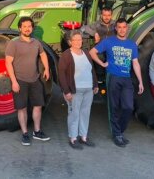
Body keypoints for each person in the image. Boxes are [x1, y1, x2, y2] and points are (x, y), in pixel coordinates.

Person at [89, 18, 144, 147]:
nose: (122, 29)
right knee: (113, 106)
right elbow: (92, 52)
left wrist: (141, 81)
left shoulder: (131, 44)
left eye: (124, 27)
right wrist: (102, 63)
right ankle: (117, 134)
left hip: (126, 78)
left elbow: (135, 63)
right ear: (116, 28)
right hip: (113, 76)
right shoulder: (109, 41)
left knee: (128, 107)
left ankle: (119, 130)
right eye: (119, 27)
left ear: (126, 28)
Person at [5, 16, 51, 146]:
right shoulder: (13, 43)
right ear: (20, 28)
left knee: (38, 106)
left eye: (29, 26)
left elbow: (43, 54)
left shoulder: (36, 42)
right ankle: (25, 133)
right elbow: (8, 63)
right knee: (22, 108)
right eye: (24, 26)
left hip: (35, 79)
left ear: (32, 28)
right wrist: (14, 82)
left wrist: (47, 68)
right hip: (20, 80)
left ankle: (37, 131)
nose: (27, 29)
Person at [58, 30, 99, 150]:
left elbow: (91, 70)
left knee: (85, 113)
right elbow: (61, 75)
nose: (77, 42)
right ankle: (73, 138)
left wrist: (95, 85)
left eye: (79, 39)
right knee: (74, 114)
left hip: (88, 89)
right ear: (70, 42)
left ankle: (84, 136)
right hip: (75, 90)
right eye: (75, 40)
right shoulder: (66, 55)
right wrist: (66, 91)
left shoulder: (86, 53)